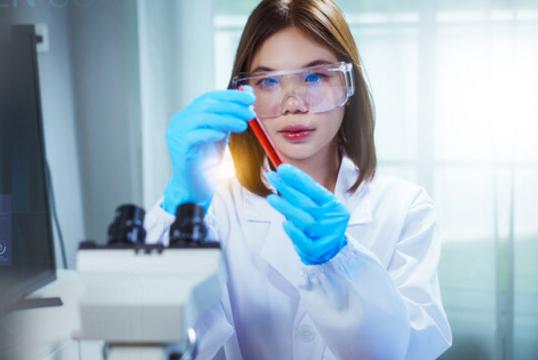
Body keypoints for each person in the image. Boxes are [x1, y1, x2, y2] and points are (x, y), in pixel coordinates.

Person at [144, 0, 452, 358]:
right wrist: (181, 209)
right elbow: (155, 337)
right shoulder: (215, 208)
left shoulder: (406, 209)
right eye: (268, 81)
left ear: (348, 86)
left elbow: (409, 351)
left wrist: (341, 261)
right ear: (244, 93)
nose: (292, 104)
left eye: (314, 77)